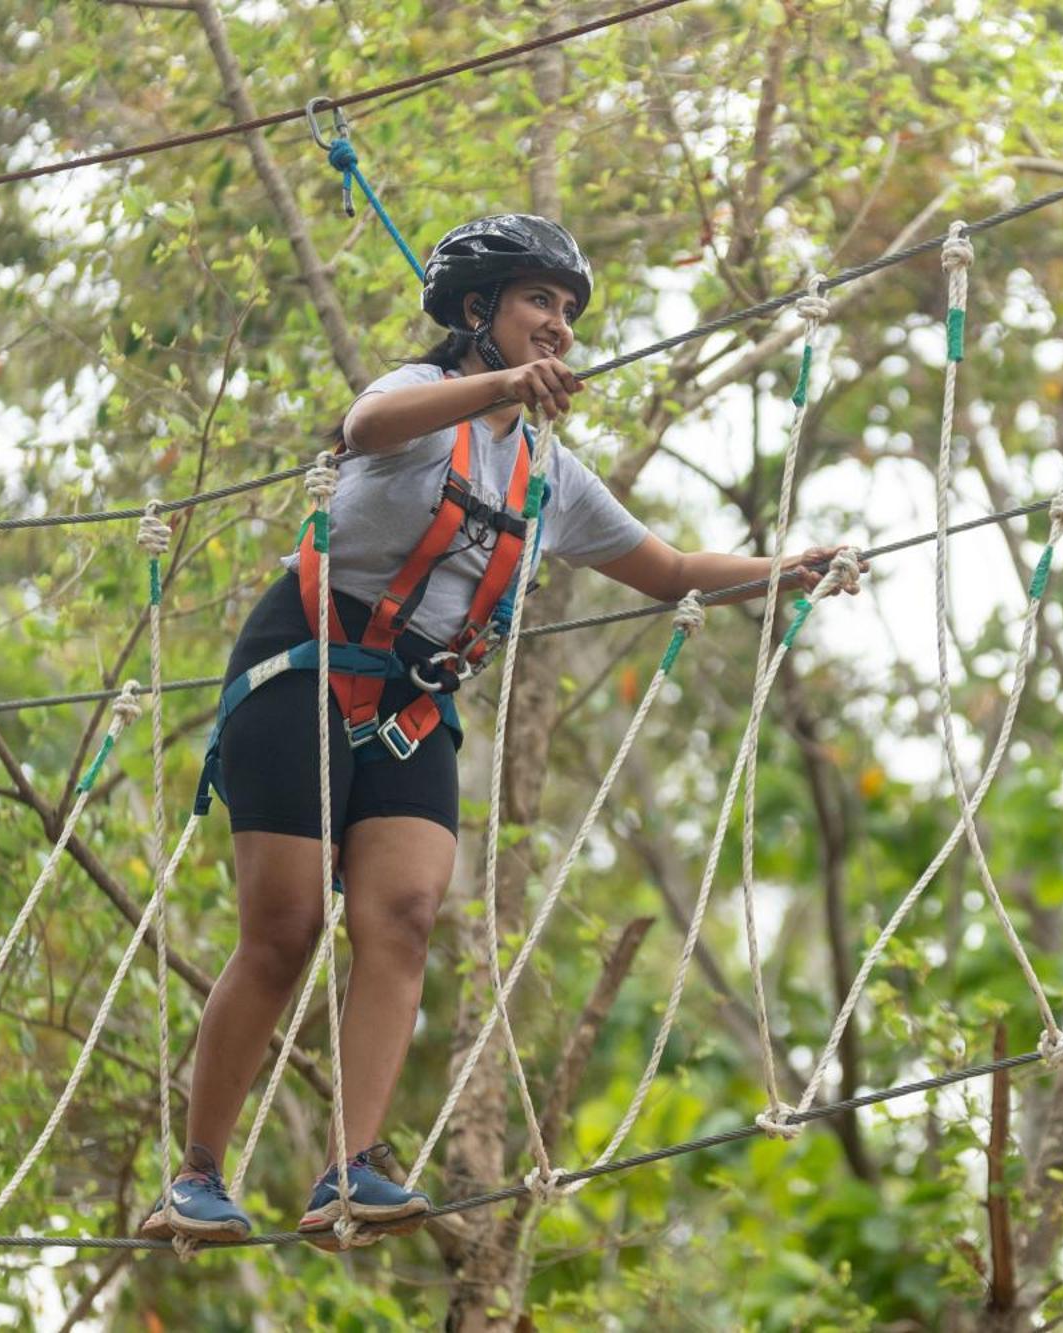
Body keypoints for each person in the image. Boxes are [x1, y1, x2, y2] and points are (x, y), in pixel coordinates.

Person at [139, 214, 859, 1250]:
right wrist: (498, 389)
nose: (555, 326)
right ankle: (199, 1175)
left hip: (412, 705)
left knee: (407, 912)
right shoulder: (419, 402)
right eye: (537, 303)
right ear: (477, 313)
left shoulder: (549, 474)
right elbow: (363, 426)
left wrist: (787, 570)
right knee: (286, 929)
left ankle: (351, 1166)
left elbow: (663, 572)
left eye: (565, 312)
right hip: (301, 668)